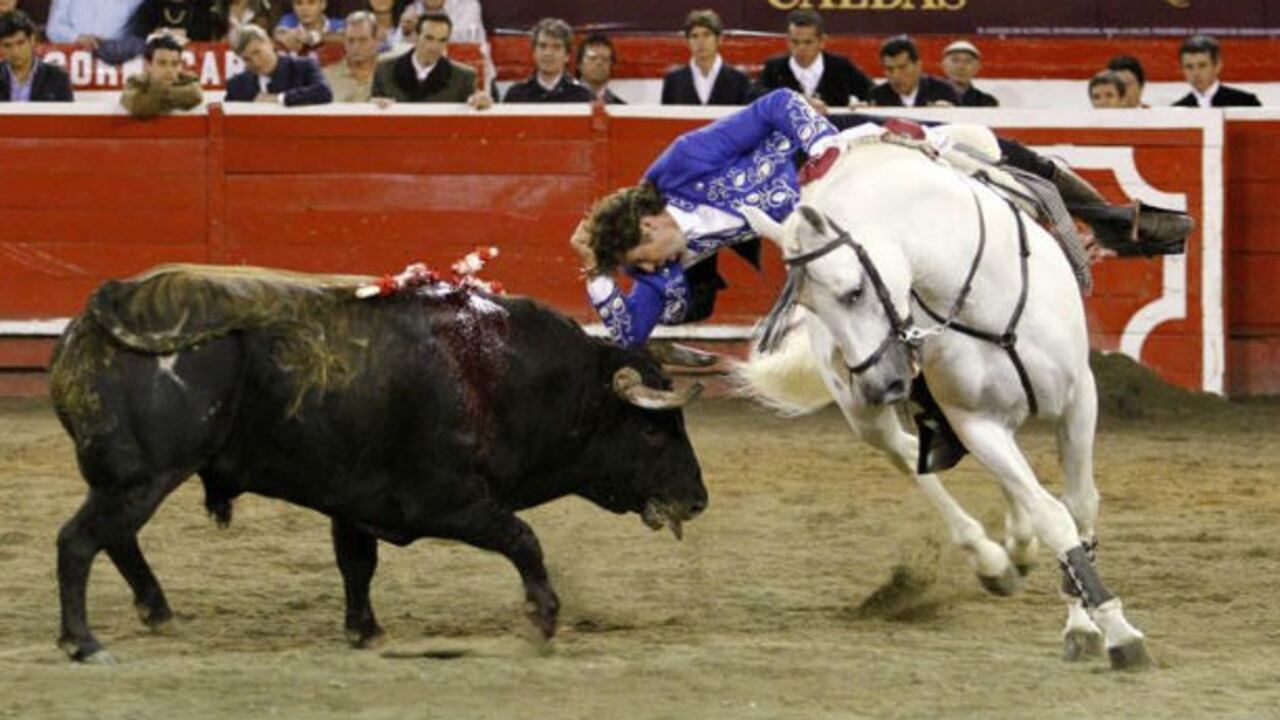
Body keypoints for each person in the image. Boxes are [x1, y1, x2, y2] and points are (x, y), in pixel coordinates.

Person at [571, 89, 841, 348]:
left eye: (642, 258)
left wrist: (827, 151)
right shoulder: (659, 263)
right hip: (823, 218)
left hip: (822, 153)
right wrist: (594, 268)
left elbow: (777, 103)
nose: (648, 269)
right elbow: (630, 334)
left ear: (648, 225)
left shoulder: (685, 160)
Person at [755, 9, 870, 114]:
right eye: (795, 42)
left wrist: (865, 103)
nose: (801, 48)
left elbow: (872, 92)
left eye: (808, 42)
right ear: (788, 40)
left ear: (822, 41)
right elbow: (754, 94)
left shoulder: (840, 66)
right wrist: (796, 99)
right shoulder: (775, 67)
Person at [370, 11, 490, 107]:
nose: (435, 47)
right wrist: (374, 105)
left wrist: (480, 102)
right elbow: (373, 108)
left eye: (442, 40)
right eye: (429, 38)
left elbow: (472, 116)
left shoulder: (463, 77)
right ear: (416, 36)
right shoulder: (385, 70)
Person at [660, 9, 752, 106]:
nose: (700, 41)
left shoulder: (739, 80)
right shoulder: (673, 81)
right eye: (694, 36)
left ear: (719, 39)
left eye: (706, 35)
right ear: (687, 42)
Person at [224, 24, 332, 106]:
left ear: (270, 43)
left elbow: (323, 92)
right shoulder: (236, 85)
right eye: (247, 59)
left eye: (257, 52)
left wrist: (279, 98)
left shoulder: (302, 67)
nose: (256, 62)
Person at [502, 17, 593, 103]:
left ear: (567, 56)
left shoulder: (583, 96)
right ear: (534, 52)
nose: (548, 53)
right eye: (543, 46)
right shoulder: (516, 95)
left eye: (556, 47)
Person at [120, 32, 202, 118]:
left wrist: (159, 94)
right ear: (148, 66)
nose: (169, 70)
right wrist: (175, 96)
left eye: (174, 64)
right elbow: (138, 106)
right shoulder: (136, 81)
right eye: (162, 63)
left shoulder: (186, 78)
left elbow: (195, 94)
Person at [868, 35, 959, 108]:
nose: (896, 76)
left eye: (902, 67)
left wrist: (949, 113)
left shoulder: (943, 91)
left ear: (918, 65)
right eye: (889, 69)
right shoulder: (877, 96)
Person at [0, 10, 72, 101]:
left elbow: (67, 110)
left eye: (20, 43)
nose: (15, 51)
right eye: (7, 45)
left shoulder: (57, 78)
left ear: (32, 40)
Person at [1173, 34, 1261, 108]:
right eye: (1189, 67)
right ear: (1182, 69)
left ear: (1217, 66)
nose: (1196, 73)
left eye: (1202, 66)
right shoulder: (1176, 110)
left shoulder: (1246, 102)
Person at [324, 10, 378, 102]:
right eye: (351, 40)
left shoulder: (388, 72)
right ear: (344, 41)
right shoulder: (326, 77)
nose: (356, 47)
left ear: (375, 41)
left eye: (363, 40)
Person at [127, 0, 221, 43]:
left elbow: (208, 35)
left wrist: (186, 34)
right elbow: (137, 34)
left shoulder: (203, 6)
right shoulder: (149, 5)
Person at [941, 39, 997, 107]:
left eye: (968, 61)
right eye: (955, 60)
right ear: (943, 65)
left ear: (978, 67)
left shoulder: (986, 102)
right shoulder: (931, 97)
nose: (961, 66)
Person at [273, 0, 342, 55]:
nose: (304, 8)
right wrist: (288, 37)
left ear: (323, 4)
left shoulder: (338, 24)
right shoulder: (290, 20)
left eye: (311, 2)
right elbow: (279, 31)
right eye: (299, 3)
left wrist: (315, 37)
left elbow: (344, 36)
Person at [576, 32, 624, 104]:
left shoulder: (621, 107)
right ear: (579, 64)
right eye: (592, 58)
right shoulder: (562, 102)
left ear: (611, 66)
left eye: (605, 59)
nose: (599, 63)